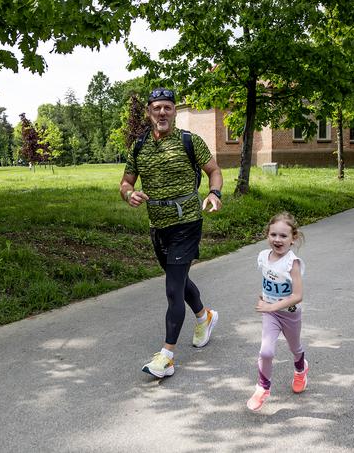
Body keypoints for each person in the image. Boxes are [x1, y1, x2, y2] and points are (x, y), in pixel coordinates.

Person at [119, 88, 224, 379]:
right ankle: (205, 316)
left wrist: (214, 193)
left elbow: (214, 170)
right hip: (158, 226)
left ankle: (166, 356)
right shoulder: (139, 146)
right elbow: (125, 182)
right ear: (149, 113)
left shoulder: (190, 141)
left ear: (175, 111)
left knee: (172, 288)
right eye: (156, 108)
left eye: (167, 107)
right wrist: (129, 194)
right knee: (177, 277)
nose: (162, 113)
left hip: (187, 222)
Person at [247, 212, 308, 412]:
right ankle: (262, 388)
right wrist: (262, 298)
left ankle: (301, 369)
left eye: (283, 236)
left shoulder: (293, 263)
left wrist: (271, 306)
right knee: (266, 351)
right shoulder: (263, 257)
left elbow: (298, 295)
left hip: (290, 314)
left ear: (293, 238)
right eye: (273, 235)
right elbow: (267, 283)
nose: (277, 240)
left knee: (295, 348)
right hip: (270, 314)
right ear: (267, 235)